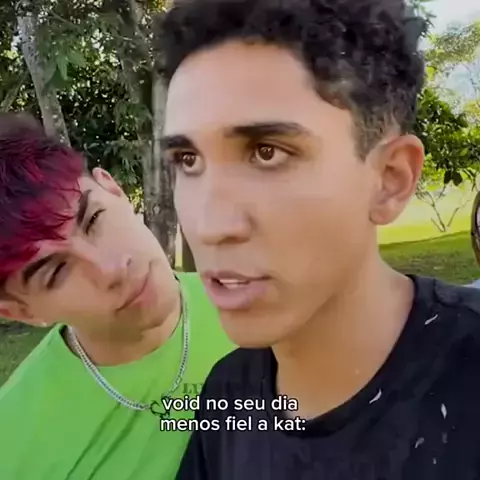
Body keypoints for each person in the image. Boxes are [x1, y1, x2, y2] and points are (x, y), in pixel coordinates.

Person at [157, 0, 480, 478]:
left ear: (389, 180)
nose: (208, 225)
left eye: (267, 153)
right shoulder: (228, 395)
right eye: (187, 160)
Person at [0, 113, 234, 480]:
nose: (111, 269)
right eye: (57, 272)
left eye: (94, 219)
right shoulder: (14, 448)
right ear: (23, 311)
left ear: (114, 190)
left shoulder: (273, 308)